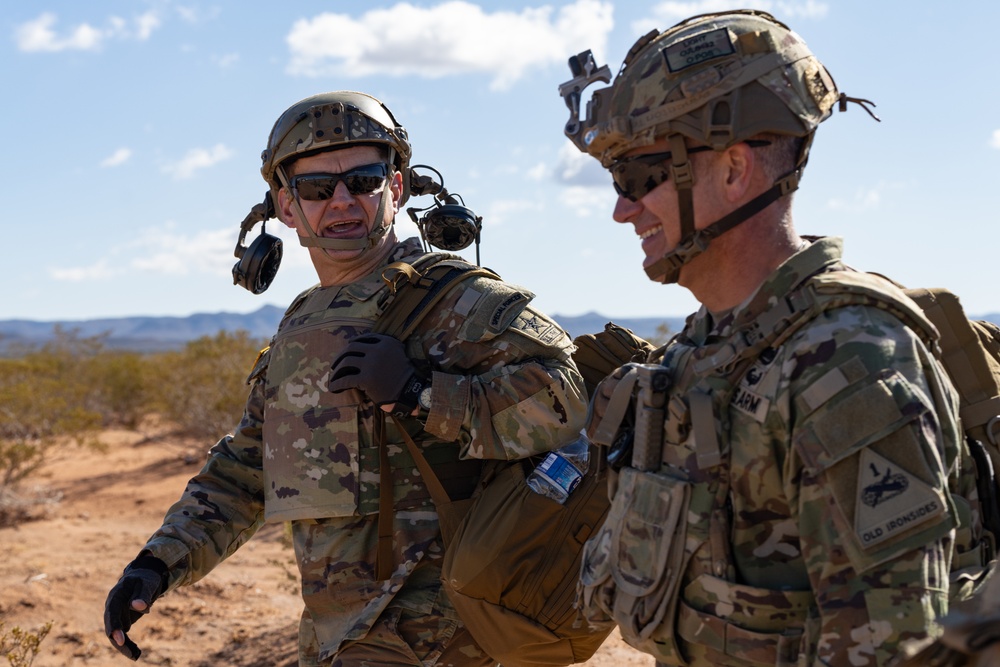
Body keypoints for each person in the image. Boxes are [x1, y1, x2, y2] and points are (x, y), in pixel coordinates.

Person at [558, 10, 988, 667]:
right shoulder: (699, 353)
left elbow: (891, 650)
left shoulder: (847, 363)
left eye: (639, 176)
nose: (622, 207)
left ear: (735, 170)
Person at [103, 90, 587, 666]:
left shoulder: (458, 300)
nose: (342, 202)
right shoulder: (301, 323)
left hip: (449, 636)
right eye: (316, 188)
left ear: (397, 188)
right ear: (286, 205)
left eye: (363, 181)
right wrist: (157, 565)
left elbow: (568, 397)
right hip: (337, 637)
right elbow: (247, 469)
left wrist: (422, 394)